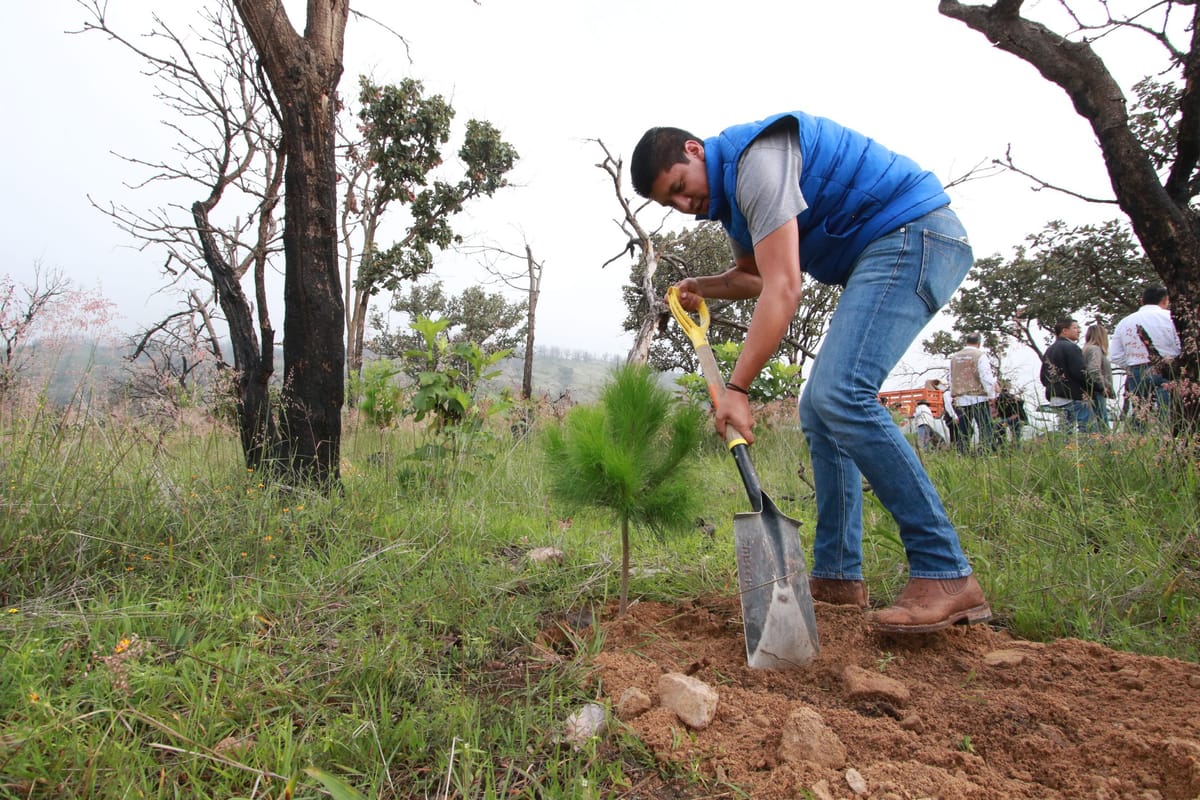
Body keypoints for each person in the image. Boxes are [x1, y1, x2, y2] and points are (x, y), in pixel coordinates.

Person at [632, 112, 990, 633]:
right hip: (890, 245)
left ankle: (945, 571)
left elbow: (784, 286)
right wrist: (701, 285)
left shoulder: (756, 163)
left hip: (913, 234)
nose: (687, 207)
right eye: (673, 205)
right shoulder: (735, 203)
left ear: (695, 149)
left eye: (682, 188)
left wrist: (737, 389)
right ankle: (839, 577)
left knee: (840, 394)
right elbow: (753, 278)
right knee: (820, 410)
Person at [1110, 285, 1181, 430]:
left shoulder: (1125, 322)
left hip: (1137, 369)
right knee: (1168, 413)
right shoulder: (1171, 318)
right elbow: (1181, 345)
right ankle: (1167, 441)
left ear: (1142, 301)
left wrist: (1133, 362)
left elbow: (1115, 355)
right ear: (1165, 300)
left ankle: (1137, 442)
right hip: (1168, 368)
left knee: (1139, 412)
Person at [1040, 318, 1096, 433]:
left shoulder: (1050, 349)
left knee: (1065, 431)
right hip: (1073, 396)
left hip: (1056, 396)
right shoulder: (1071, 348)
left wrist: (1053, 387)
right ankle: (1087, 449)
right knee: (1088, 428)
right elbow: (1080, 372)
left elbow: (1043, 376)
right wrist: (1095, 387)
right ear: (1064, 331)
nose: (1079, 331)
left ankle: (1067, 450)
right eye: (1075, 328)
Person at [948, 333, 998, 453]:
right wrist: (992, 395)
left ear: (966, 341)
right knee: (985, 428)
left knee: (964, 430)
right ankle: (984, 453)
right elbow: (985, 376)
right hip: (978, 398)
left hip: (960, 399)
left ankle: (962, 454)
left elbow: (951, 377)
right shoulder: (979, 355)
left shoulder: (954, 357)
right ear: (979, 343)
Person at [1081, 323, 1115, 430]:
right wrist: (1103, 385)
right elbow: (1094, 369)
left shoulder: (1084, 349)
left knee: (1091, 422)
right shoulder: (1095, 349)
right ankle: (1106, 445)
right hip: (1096, 391)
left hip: (1087, 391)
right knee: (1102, 422)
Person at [992, 381, 1029, 447]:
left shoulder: (1007, 397)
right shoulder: (999, 399)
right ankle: (1002, 443)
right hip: (1009, 420)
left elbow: (1020, 402)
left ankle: (1008, 445)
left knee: (1012, 430)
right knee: (1001, 426)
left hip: (1015, 419)